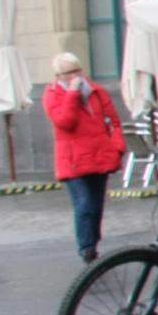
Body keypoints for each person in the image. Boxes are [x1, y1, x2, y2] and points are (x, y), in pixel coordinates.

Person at [42, 52, 126, 263]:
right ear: (58, 76)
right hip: (73, 159)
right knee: (85, 203)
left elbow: (114, 121)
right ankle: (86, 247)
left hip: (99, 154)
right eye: (68, 73)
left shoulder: (97, 92)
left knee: (96, 206)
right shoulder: (53, 95)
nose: (74, 77)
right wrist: (72, 94)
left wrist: (117, 148)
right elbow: (64, 122)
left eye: (77, 71)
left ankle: (93, 244)